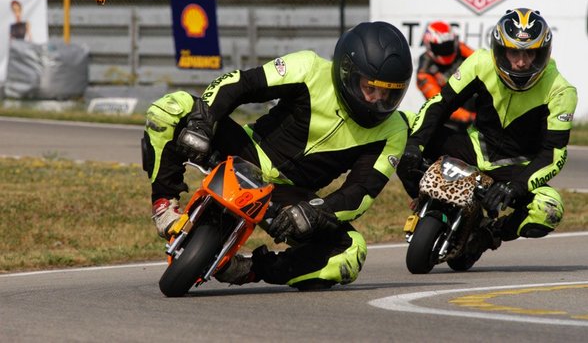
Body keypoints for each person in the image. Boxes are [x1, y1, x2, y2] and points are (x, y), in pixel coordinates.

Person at [142, 21, 414, 290]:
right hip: (245, 152)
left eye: (389, 94)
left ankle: (248, 270)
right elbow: (240, 84)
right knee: (172, 108)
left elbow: (362, 191)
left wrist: (316, 212)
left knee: (351, 252)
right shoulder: (308, 68)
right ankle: (164, 205)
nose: (376, 101)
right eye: (370, 88)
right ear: (347, 72)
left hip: (288, 198)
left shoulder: (394, 131)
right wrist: (202, 122)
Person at [396, 8, 577, 264]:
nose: (522, 62)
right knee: (401, 129)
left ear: (543, 52)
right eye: (514, 52)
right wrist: (415, 144)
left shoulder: (561, 91)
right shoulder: (481, 63)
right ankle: (420, 197)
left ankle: (489, 234)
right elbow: (440, 104)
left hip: (514, 165)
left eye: (530, 53)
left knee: (548, 208)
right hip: (473, 145)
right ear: (500, 50)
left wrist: (515, 187)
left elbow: (554, 154)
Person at [417, 20, 475, 131]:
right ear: (429, 46)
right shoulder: (424, 71)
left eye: (448, 46)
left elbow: (481, 61)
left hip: (474, 105)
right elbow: (441, 103)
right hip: (449, 120)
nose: (446, 51)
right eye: (441, 48)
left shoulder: (460, 48)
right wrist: (470, 117)